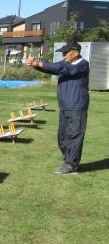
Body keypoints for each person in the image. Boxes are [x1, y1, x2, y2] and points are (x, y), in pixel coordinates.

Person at [26, 42, 90, 174]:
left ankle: (72, 164)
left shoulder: (82, 64)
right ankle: (69, 160)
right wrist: (35, 65)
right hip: (65, 106)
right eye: (63, 52)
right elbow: (54, 68)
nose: (63, 55)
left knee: (74, 136)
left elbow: (60, 68)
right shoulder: (66, 64)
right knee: (62, 138)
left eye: (66, 52)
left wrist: (39, 63)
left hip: (76, 106)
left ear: (76, 53)